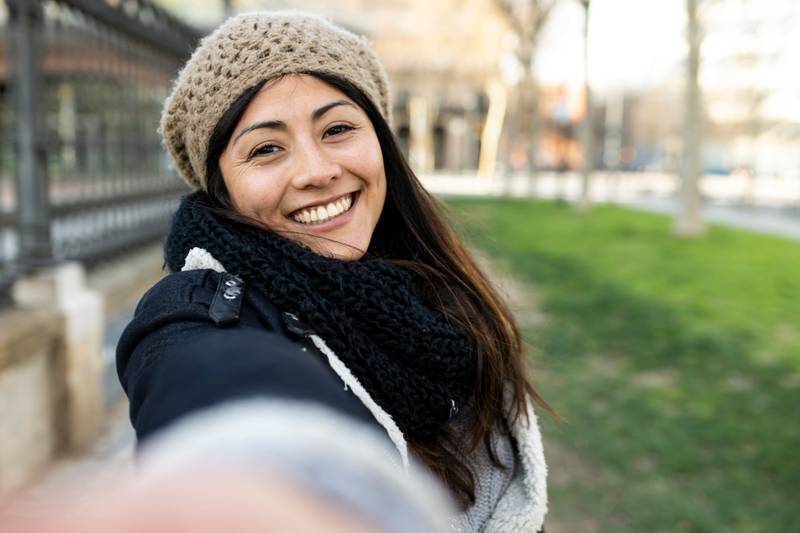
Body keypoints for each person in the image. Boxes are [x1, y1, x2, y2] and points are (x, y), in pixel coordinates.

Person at [116, 10, 548, 533]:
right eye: (266, 149)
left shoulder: (436, 288)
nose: (318, 171)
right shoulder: (191, 316)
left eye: (338, 129)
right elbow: (207, 393)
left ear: (381, 143)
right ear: (222, 188)